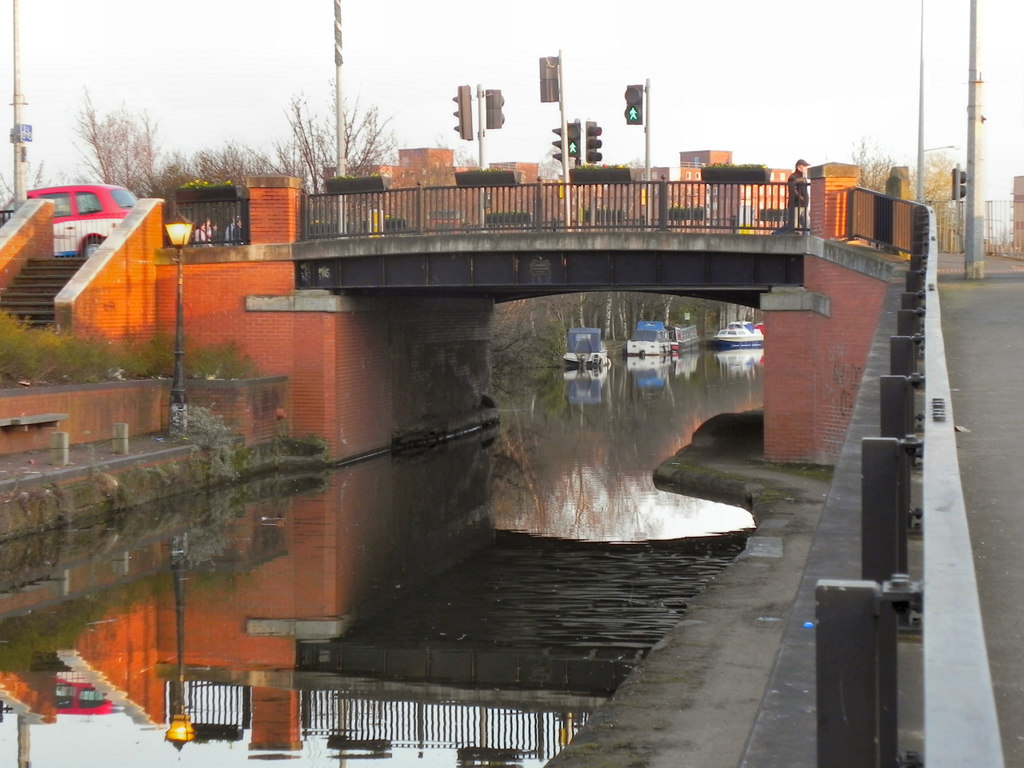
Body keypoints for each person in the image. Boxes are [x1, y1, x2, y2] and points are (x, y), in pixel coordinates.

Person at [784, 159, 810, 233]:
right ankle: (777, 234)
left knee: (806, 226)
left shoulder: (803, 178)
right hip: (795, 205)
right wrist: (801, 199)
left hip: (804, 205)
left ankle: (805, 241)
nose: (806, 168)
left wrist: (805, 201)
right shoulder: (793, 177)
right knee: (794, 226)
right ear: (799, 168)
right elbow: (793, 191)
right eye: (804, 166)